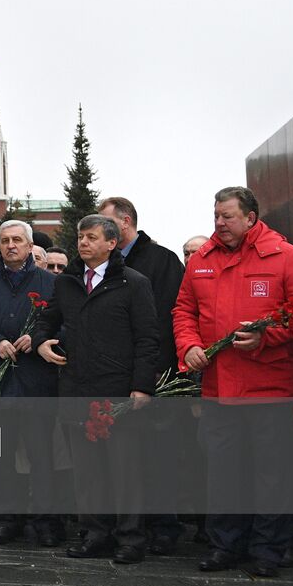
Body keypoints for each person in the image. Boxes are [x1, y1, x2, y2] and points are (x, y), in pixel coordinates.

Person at [174, 186, 293, 576]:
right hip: (218, 390)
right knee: (224, 472)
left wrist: (267, 337)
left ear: (250, 217)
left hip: (270, 390)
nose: (220, 224)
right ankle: (225, 545)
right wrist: (190, 346)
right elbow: (183, 311)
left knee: (271, 475)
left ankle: (268, 551)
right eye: (216, 216)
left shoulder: (285, 256)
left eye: (227, 216)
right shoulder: (202, 260)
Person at [34, 214, 158, 564]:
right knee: (87, 471)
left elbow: (148, 338)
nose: (83, 243)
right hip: (76, 388)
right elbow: (47, 319)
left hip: (118, 391)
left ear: (111, 243)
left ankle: (131, 539)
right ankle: (95, 534)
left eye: (91, 237)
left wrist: (142, 387)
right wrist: (42, 342)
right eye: (80, 237)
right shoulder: (68, 283)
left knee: (124, 471)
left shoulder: (133, 283)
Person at [0, 219, 62, 546]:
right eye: (5, 240)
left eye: (17, 240)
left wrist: (39, 337)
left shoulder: (51, 283)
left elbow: (66, 323)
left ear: (30, 246)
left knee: (41, 456)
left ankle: (47, 522)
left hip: (36, 384)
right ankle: (7, 520)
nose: (11, 245)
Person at [98, 195, 189, 553]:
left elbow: (168, 319)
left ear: (124, 222)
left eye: (105, 223)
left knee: (159, 454)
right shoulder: (103, 263)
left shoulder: (161, 260)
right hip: (112, 377)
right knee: (123, 459)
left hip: (154, 376)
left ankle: (165, 527)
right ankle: (126, 527)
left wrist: (153, 374)